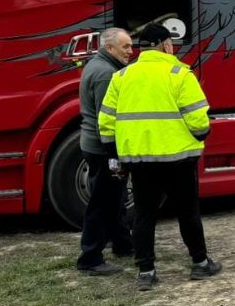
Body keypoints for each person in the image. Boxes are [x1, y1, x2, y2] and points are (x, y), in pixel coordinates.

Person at [99, 23, 222, 291]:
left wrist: (114, 155)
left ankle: (146, 271)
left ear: (142, 47)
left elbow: (106, 122)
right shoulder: (179, 73)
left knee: (144, 214)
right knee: (187, 211)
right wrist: (200, 134)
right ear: (166, 45)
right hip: (178, 158)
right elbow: (198, 119)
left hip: (139, 159)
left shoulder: (121, 77)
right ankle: (200, 264)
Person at [75, 27, 133, 275]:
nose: (131, 52)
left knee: (115, 198)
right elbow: (106, 119)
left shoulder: (96, 64)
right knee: (102, 201)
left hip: (94, 145)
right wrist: (115, 154)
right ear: (110, 48)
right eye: (126, 47)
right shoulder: (106, 75)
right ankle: (90, 257)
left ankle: (122, 243)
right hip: (102, 148)